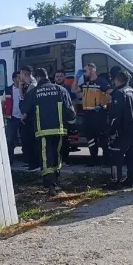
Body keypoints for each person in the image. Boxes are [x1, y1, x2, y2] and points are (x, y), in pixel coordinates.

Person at [21, 68, 77, 196]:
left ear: (37, 78)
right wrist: (73, 126)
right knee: (57, 154)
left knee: (46, 157)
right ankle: (56, 180)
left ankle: (50, 183)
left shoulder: (34, 92)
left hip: (42, 131)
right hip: (60, 129)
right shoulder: (60, 90)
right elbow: (70, 110)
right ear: (47, 76)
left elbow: (24, 109)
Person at [107, 71, 133, 189]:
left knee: (116, 155)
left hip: (123, 130)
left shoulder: (118, 93)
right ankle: (132, 180)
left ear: (118, 80)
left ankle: (116, 181)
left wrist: (111, 131)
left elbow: (116, 116)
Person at [72, 62, 112, 167]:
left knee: (103, 139)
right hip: (88, 115)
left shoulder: (101, 82)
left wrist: (102, 104)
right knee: (90, 139)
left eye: (85, 70)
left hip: (99, 115)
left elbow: (110, 94)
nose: (84, 73)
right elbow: (74, 90)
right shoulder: (86, 83)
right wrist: (76, 78)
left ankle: (107, 160)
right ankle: (93, 159)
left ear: (93, 70)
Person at [19, 66, 39, 171]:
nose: (20, 76)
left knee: (31, 141)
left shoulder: (32, 85)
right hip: (30, 117)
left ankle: (35, 164)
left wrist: (25, 114)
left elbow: (29, 103)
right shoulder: (29, 85)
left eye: (21, 74)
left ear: (24, 74)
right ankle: (32, 163)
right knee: (28, 141)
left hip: (32, 119)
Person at [53, 69, 75, 163]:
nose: (59, 78)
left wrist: (74, 117)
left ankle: (65, 160)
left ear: (64, 77)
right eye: (57, 76)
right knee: (55, 141)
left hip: (66, 119)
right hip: (54, 119)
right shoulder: (52, 89)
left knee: (66, 141)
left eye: (61, 76)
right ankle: (57, 160)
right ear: (54, 78)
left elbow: (73, 103)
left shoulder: (68, 89)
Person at [5, 71, 23, 160]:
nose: (20, 79)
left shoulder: (24, 88)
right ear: (13, 79)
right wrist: (4, 113)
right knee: (10, 139)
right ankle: (10, 159)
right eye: (18, 77)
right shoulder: (8, 89)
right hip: (12, 118)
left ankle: (26, 159)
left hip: (23, 117)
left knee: (25, 139)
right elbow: (3, 102)